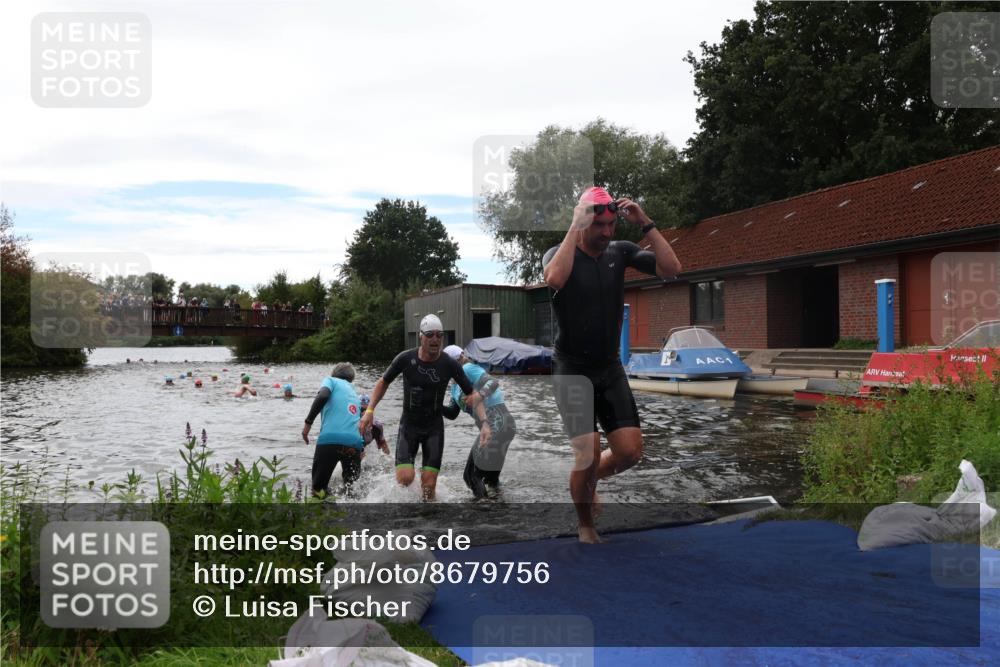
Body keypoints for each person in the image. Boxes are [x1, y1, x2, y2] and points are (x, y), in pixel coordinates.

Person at [541, 186, 682, 543]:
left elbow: (672, 269)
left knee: (630, 452)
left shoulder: (620, 252)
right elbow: (555, 280)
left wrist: (645, 223)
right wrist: (575, 223)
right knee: (586, 454)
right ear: (586, 221)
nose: (606, 232)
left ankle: (587, 484)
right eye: (599, 225)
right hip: (572, 368)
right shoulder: (559, 254)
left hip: (608, 367)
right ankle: (585, 523)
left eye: (611, 224)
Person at [358, 314, 489, 501]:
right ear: (421, 336)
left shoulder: (449, 364)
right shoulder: (405, 359)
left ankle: (428, 520)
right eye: (430, 335)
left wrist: (484, 423)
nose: (435, 339)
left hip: (433, 429)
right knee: (405, 478)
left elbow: (472, 394)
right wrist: (369, 411)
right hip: (409, 427)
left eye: (439, 335)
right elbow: (383, 382)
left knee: (428, 486)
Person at [442, 345, 516, 499]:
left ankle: (482, 515)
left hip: (498, 421)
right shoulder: (455, 387)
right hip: (503, 426)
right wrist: (433, 404)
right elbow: (451, 412)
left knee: (471, 476)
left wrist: (478, 396)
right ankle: (500, 511)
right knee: (490, 479)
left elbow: (492, 382)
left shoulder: (467, 368)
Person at [301, 363, 367, 497]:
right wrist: (361, 448)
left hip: (330, 440)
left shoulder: (330, 381)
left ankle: (323, 515)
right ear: (351, 378)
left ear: (334, 374)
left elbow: (323, 396)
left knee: (318, 489)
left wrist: (308, 423)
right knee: (351, 490)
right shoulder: (354, 391)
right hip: (354, 443)